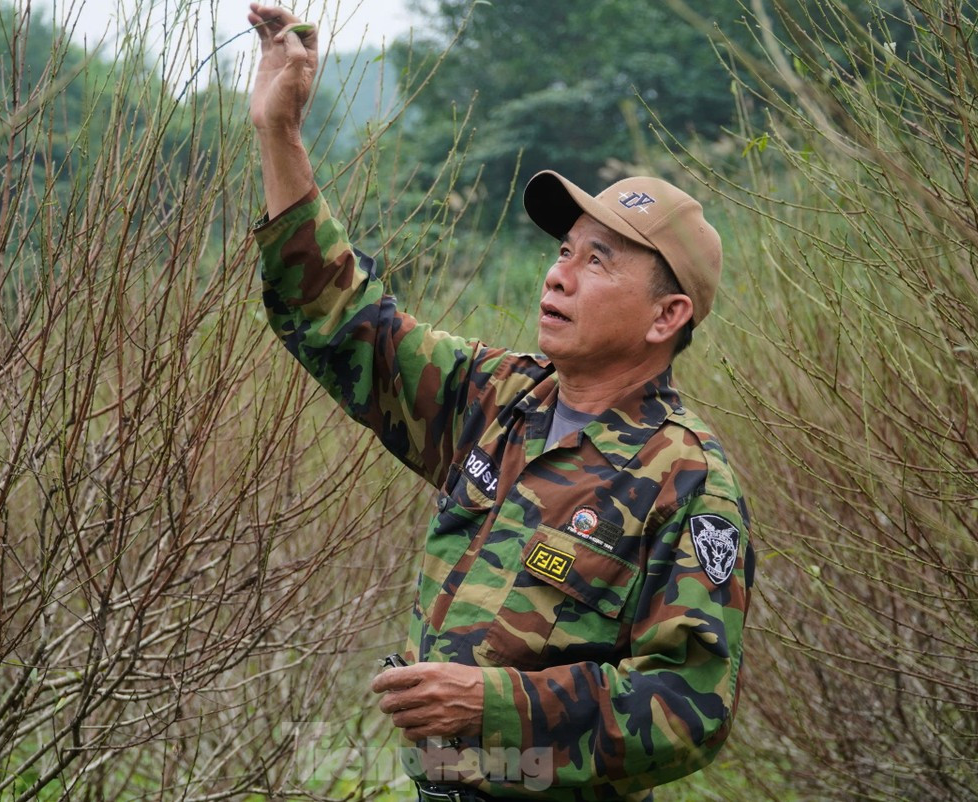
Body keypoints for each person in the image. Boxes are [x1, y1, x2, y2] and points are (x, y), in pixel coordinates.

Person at [246, 5, 755, 800]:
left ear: (667, 316)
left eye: (599, 262)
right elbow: (341, 322)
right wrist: (282, 137)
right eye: (562, 253)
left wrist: (495, 703)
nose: (559, 276)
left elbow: (689, 711)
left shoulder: (686, 481)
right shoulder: (497, 399)